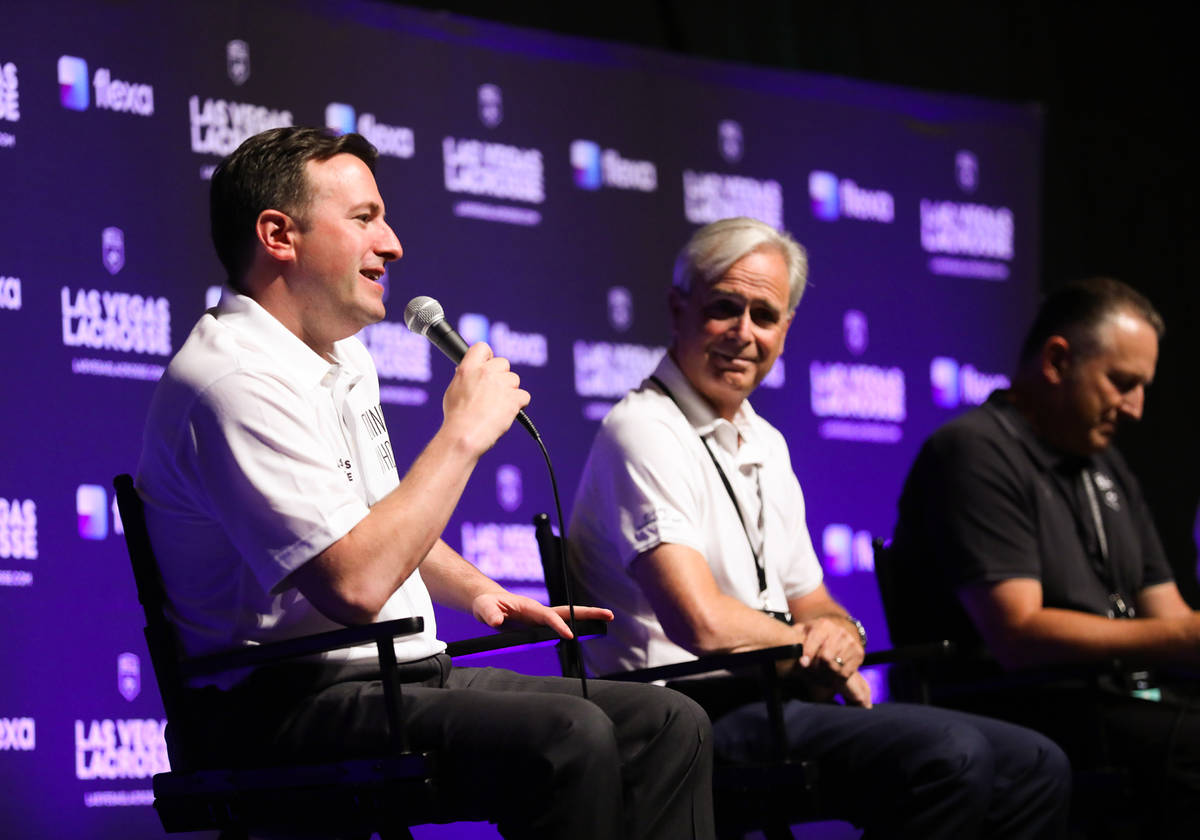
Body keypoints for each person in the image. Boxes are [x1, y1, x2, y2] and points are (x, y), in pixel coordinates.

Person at [136, 126, 714, 840]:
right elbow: (353, 584)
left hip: (394, 674)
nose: (393, 244)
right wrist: (462, 435)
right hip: (277, 704)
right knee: (570, 736)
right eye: (364, 219)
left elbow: (372, 520)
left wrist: (476, 589)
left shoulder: (341, 357)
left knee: (668, 721)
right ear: (279, 235)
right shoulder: (232, 379)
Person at [568, 216, 1071, 838]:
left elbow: (813, 601)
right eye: (724, 307)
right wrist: (807, 647)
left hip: (772, 697)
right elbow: (697, 621)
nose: (743, 333)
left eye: (765, 315)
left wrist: (841, 634)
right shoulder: (642, 428)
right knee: (952, 755)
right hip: (680, 713)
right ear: (678, 308)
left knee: (1037, 764)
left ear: (786, 330)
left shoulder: (766, 442)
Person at [891, 276, 1200, 835]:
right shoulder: (975, 451)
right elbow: (1018, 632)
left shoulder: (1106, 466)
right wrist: (1181, 640)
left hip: (1113, 704)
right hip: (1022, 709)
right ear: (1058, 361)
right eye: (1122, 383)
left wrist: (1185, 635)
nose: (1136, 408)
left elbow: (1169, 613)